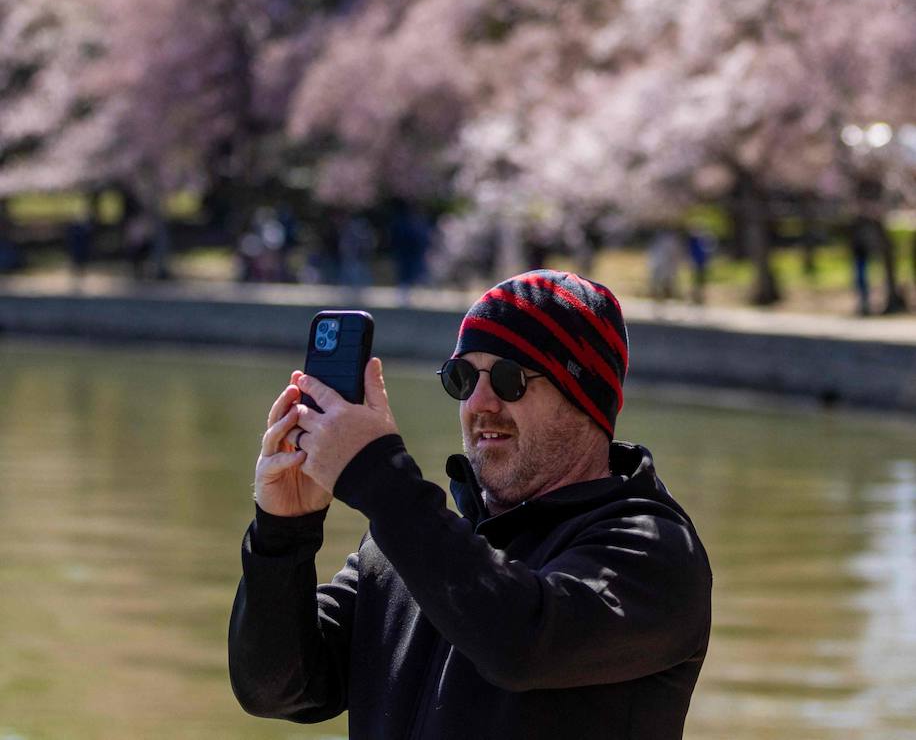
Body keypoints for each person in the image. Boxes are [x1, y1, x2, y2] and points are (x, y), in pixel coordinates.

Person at [228, 270, 712, 739]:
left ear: (585, 398)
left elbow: (520, 644)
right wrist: (283, 531)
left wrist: (378, 477)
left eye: (508, 378)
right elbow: (276, 688)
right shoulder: (411, 543)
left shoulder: (655, 551)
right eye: (462, 377)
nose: (479, 403)